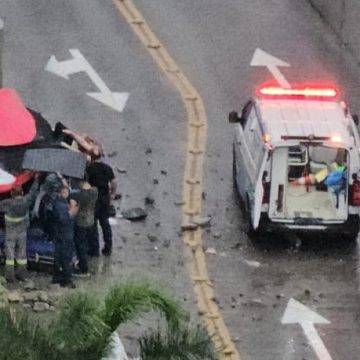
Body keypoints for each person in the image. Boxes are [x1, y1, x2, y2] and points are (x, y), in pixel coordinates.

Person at [0, 175, 39, 282]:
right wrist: (36, 179)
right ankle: (21, 274)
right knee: (22, 255)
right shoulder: (26, 201)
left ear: (11, 193)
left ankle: (9, 276)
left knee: (10, 256)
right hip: (22, 232)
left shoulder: (7, 203)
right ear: (22, 192)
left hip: (10, 233)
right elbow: (33, 193)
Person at [86, 153, 117, 256]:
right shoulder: (107, 168)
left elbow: (85, 183)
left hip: (92, 198)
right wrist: (112, 195)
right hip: (104, 198)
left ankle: (94, 249)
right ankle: (108, 247)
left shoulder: (89, 168)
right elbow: (113, 182)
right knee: (105, 223)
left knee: (93, 224)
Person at [70, 176, 98, 275]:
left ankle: (83, 267)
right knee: (88, 241)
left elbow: (74, 205)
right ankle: (93, 255)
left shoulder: (80, 195)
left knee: (80, 245)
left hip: (81, 222)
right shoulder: (95, 191)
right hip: (91, 221)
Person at [52, 184, 78, 288]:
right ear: (61, 193)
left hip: (60, 234)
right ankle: (67, 280)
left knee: (58, 256)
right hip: (65, 235)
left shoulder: (59, 202)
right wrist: (73, 208)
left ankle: (57, 277)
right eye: (66, 192)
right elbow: (64, 219)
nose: (68, 194)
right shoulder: (61, 205)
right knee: (66, 257)